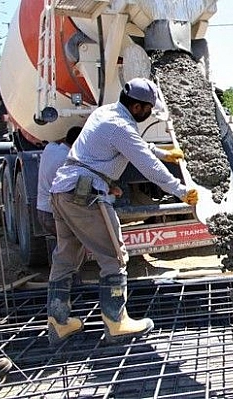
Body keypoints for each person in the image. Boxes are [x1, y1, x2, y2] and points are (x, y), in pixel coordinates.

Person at [47, 78, 198, 345]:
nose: (150, 112)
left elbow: (134, 145)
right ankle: (117, 323)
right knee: (114, 256)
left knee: (66, 255)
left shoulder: (106, 113)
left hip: (64, 190)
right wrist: (181, 191)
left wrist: (164, 153)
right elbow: (146, 165)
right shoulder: (120, 127)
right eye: (149, 108)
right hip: (85, 194)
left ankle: (59, 323)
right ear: (138, 107)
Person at [37, 126, 82, 263]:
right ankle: (69, 280)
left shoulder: (50, 149)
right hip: (54, 214)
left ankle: (64, 278)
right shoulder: (69, 161)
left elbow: (55, 139)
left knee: (65, 247)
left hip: (43, 210)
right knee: (71, 250)